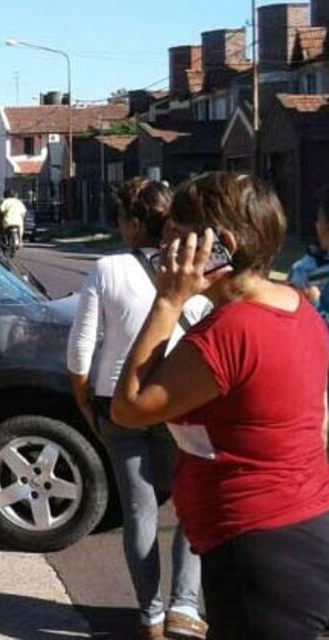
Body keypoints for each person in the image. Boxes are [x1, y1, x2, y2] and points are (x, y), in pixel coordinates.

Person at [112, 173, 329, 639]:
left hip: (255, 548)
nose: (165, 250)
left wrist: (169, 302)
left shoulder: (230, 332)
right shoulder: (295, 305)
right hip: (298, 528)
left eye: (175, 235)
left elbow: (128, 407)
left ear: (220, 245)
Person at [67, 177, 209, 640]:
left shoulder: (107, 269)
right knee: (190, 505)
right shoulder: (193, 269)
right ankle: (184, 606)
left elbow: (80, 349)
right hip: (178, 402)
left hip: (116, 402)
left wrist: (84, 399)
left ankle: (149, 617)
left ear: (131, 224)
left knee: (140, 511)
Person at [288, 185, 329, 323]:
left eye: (320, 220)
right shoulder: (306, 266)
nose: (317, 225)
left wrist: (316, 303)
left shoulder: (303, 270)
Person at [0, 190, 27, 254]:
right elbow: (24, 212)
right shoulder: (19, 202)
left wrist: (2, 214)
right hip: (18, 221)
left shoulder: (6, 201)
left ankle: (3, 240)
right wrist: (22, 218)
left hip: (8, 221)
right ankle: (20, 241)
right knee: (21, 228)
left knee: (1, 230)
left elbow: (1, 210)